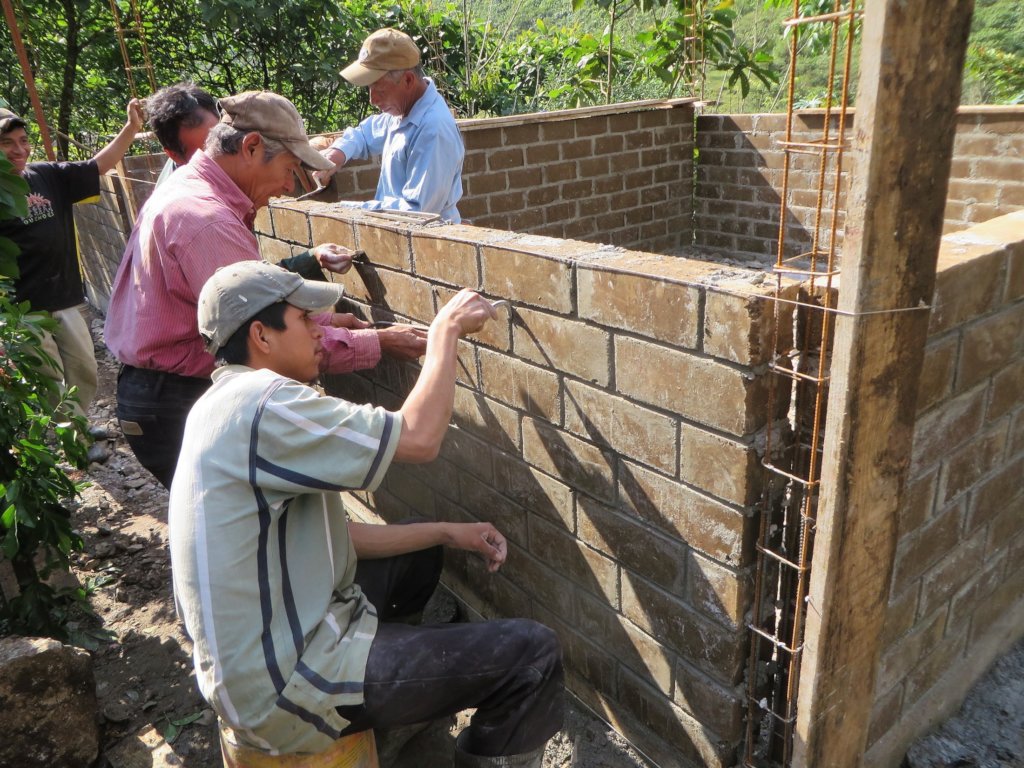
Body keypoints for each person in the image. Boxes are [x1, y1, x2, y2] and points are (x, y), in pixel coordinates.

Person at [171, 260, 563, 767]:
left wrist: (446, 532)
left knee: (419, 555)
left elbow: (337, 537)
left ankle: (396, 701)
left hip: (255, 660)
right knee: (532, 654)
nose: (321, 329)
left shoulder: (222, 404)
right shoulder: (264, 404)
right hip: (282, 687)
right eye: (305, 319)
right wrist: (445, 331)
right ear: (261, 335)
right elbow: (419, 437)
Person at [104, 91, 427, 489]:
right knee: (245, 522)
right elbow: (266, 343)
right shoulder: (209, 222)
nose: (289, 186)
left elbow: (250, 308)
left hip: (160, 390)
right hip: (176, 398)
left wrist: (323, 319)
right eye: (290, 168)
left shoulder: (189, 187)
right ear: (252, 147)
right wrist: (380, 343)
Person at [0, 101, 143, 419]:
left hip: (63, 297)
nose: (17, 149)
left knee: (84, 367)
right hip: (22, 308)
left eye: (23, 141)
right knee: (47, 377)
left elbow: (97, 166)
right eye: (7, 143)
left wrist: (131, 129)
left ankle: (76, 422)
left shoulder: (47, 176)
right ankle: (71, 434)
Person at [315, 28, 465, 223]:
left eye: (380, 89)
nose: (372, 99)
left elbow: (417, 212)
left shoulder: (433, 129)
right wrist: (338, 153)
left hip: (429, 246)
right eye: (369, 88)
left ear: (408, 80)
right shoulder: (402, 111)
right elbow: (364, 134)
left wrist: (353, 209)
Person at [144, 81, 220, 185]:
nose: (224, 156)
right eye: (208, 155)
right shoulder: (182, 195)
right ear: (174, 155)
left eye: (222, 141)